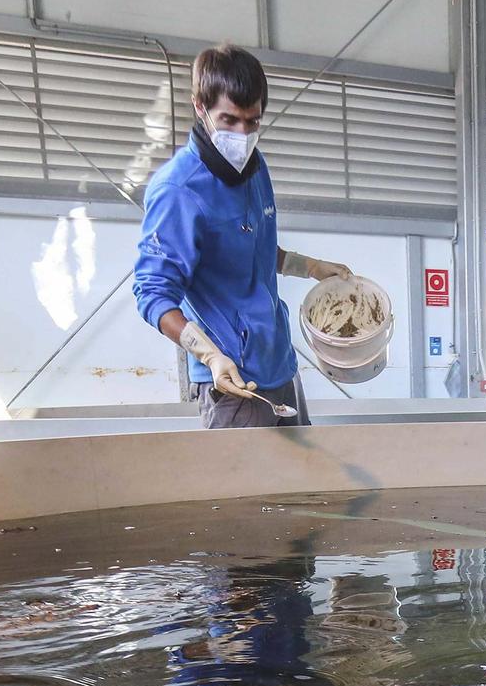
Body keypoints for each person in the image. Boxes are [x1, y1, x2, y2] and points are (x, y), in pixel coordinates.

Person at [133, 44, 351, 428]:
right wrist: (211, 356)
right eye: (230, 120)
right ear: (200, 107)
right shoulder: (178, 191)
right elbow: (152, 293)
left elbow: (256, 247)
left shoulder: (255, 167)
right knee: (253, 489)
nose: (243, 134)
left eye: (253, 122)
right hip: (234, 383)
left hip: (280, 365)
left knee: (304, 484)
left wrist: (312, 267)